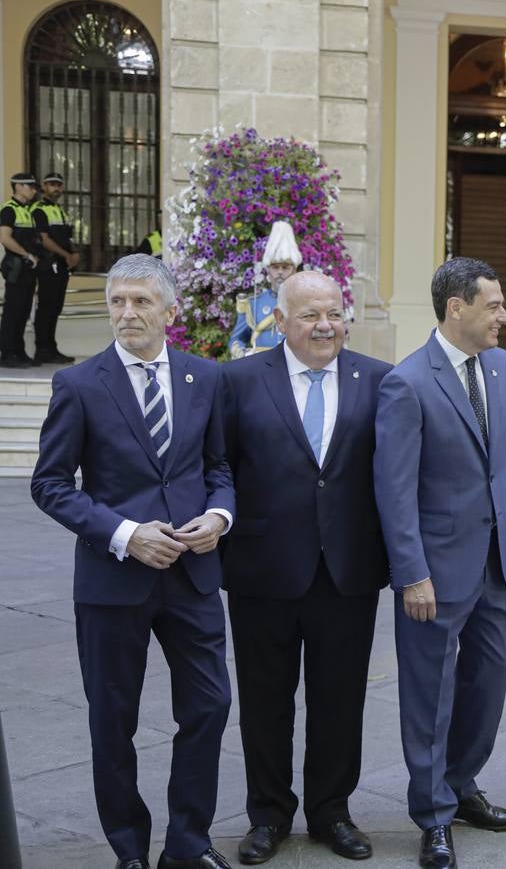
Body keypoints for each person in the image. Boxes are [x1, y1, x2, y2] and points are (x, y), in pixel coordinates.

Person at [30, 254, 236, 869]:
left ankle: (188, 844)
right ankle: (129, 850)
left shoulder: (207, 378)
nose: (127, 313)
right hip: (112, 579)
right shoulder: (80, 385)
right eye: (118, 301)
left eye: (141, 301)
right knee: (112, 721)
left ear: (170, 311)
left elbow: (219, 468)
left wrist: (219, 518)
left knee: (209, 707)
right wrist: (124, 533)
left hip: (193, 577)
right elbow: (51, 484)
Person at [221, 273, 391, 864]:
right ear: (281, 320)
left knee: (340, 700)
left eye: (335, 313)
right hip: (261, 570)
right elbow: (219, 467)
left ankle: (331, 812)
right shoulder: (239, 380)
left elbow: (392, 477)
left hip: (348, 571)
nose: (325, 325)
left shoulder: (379, 379)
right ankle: (267, 815)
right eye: (310, 315)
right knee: (264, 700)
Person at [374, 256, 506, 869]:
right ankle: (434, 816)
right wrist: (411, 572)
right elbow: (394, 492)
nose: (505, 315)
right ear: (456, 309)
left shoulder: (501, 366)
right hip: (434, 574)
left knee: (488, 688)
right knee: (428, 698)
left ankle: (462, 784)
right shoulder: (408, 382)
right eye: (493, 305)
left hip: (495, 564)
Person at [230, 221, 302, 358]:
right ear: (268, 270)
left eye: (285, 267)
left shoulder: (304, 302)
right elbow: (237, 339)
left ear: (294, 269)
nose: (280, 272)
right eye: (275, 267)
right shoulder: (253, 303)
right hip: (259, 368)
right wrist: (244, 354)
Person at [31, 171, 78, 364]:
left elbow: (68, 237)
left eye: (58, 184)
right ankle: (42, 349)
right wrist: (67, 255)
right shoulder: (39, 209)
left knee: (55, 308)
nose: (55, 188)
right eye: (51, 184)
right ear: (44, 187)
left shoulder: (60, 211)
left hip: (61, 266)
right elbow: (44, 240)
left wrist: (74, 253)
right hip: (47, 264)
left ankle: (51, 348)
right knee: (46, 307)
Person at [0, 171, 43, 367]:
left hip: (28, 269)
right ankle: (8, 354)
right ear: (18, 186)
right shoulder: (9, 209)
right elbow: (5, 238)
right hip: (17, 267)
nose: (34, 190)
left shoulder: (27, 210)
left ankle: (19, 352)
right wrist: (26, 255)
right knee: (13, 311)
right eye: (30, 186)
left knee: (24, 310)